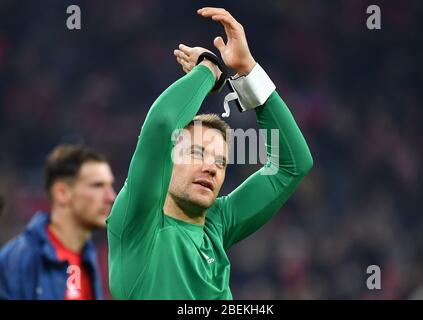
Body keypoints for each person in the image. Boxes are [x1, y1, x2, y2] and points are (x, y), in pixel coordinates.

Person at [107, 7, 313, 299]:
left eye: (220, 161)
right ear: (167, 160)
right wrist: (209, 70)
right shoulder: (138, 220)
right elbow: (162, 123)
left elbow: (292, 166)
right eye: (196, 153)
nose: (212, 167)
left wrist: (248, 70)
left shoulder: (216, 224)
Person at [0, 144, 116, 300]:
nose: (111, 197)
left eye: (110, 185)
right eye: (97, 185)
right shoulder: (16, 262)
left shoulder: (88, 259)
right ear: (62, 193)